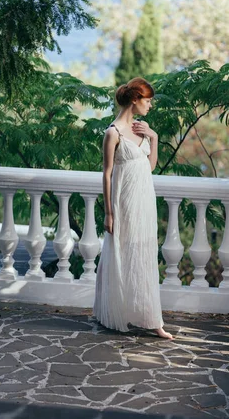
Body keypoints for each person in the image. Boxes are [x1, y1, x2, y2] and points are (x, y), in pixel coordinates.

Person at [93, 77, 173, 340]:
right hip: (123, 202)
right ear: (135, 100)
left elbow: (149, 167)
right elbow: (106, 174)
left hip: (144, 201)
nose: (150, 105)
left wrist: (154, 136)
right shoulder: (112, 133)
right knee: (121, 254)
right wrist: (108, 212)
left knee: (144, 255)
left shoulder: (142, 129)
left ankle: (151, 319)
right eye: (148, 100)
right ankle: (120, 312)